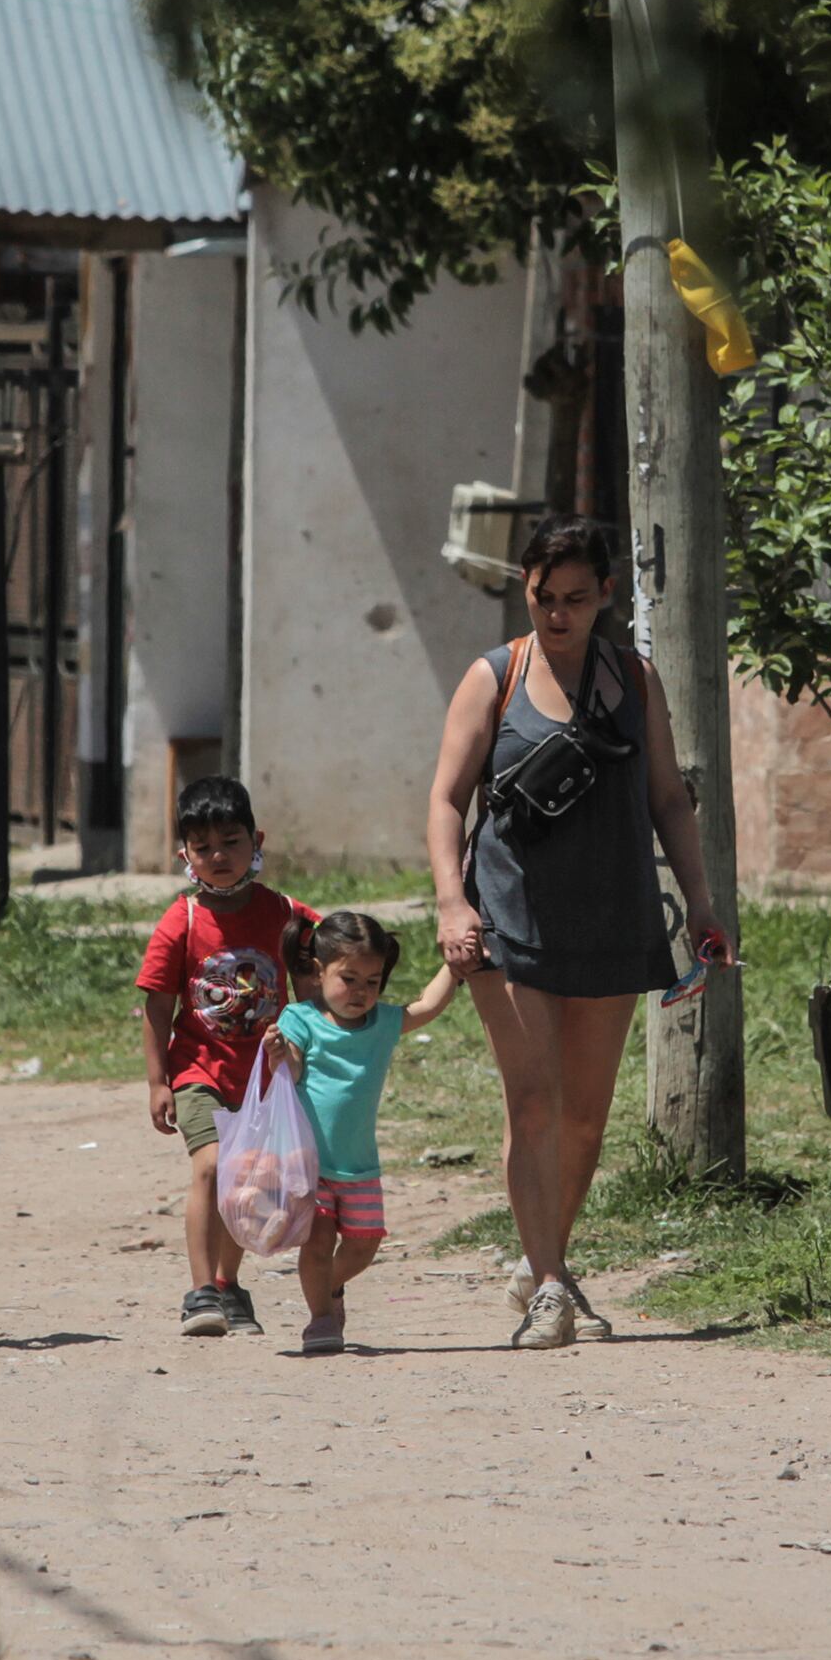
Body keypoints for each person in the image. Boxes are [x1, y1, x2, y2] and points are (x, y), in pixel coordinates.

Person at [425, 514, 731, 1350]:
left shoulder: (635, 679)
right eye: (541, 597)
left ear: (605, 594)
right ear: (524, 590)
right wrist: (453, 904)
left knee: (587, 1119)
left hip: (613, 912)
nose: (556, 614)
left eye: (573, 598)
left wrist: (702, 903)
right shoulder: (495, 675)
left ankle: (541, 1260)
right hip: (510, 915)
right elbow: (449, 798)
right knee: (533, 1105)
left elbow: (668, 796)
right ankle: (553, 1284)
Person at [138, 776, 315, 1339]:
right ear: (185, 854)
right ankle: (201, 1293)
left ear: (256, 839)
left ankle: (228, 1282)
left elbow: (321, 984)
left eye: (231, 842)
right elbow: (156, 1006)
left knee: (248, 1182)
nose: (218, 856)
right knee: (212, 1168)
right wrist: (157, 1081)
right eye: (203, 846)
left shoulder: (288, 915)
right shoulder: (181, 921)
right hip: (198, 1072)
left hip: (265, 1079)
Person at [268, 911, 462, 1355]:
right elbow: (294, 1068)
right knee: (317, 1241)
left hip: (359, 1166)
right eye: (349, 979)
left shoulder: (382, 1025)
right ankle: (320, 1319)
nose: (360, 992)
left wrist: (453, 967)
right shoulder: (300, 1018)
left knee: (364, 1245)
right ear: (319, 972)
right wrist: (279, 1054)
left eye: (372, 982)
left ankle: (329, 1288)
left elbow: (427, 1006)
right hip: (308, 1163)